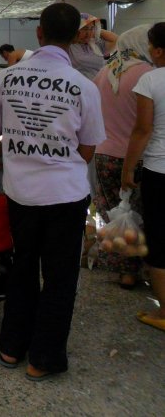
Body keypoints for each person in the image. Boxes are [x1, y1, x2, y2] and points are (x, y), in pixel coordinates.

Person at [0, 2, 106, 381]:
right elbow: (87, 150)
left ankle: (11, 346)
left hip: (20, 193)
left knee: (22, 265)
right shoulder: (84, 87)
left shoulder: (7, 78)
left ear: (39, 32)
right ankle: (43, 358)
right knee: (60, 277)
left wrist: (20, 147)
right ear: (76, 37)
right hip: (65, 196)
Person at [92, 25, 154, 289]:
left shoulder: (105, 71)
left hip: (104, 154)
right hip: (138, 156)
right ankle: (149, 268)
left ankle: (125, 272)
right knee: (142, 213)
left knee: (115, 213)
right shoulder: (149, 74)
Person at [121, 22, 165, 332]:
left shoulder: (151, 79)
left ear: (158, 50)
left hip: (159, 170)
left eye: (150, 45)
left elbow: (142, 130)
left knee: (160, 241)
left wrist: (128, 168)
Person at [69, 13, 118, 80]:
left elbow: (116, 40)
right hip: (77, 84)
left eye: (92, 28)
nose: (88, 33)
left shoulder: (95, 44)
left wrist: (97, 31)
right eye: (85, 28)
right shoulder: (68, 45)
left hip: (98, 83)